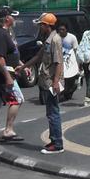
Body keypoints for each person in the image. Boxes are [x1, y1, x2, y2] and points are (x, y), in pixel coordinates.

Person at [18, 13, 64, 154]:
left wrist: (56, 82)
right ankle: (54, 140)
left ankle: (57, 144)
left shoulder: (55, 40)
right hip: (46, 81)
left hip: (51, 82)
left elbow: (58, 63)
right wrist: (24, 66)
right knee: (50, 112)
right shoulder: (48, 40)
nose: (40, 27)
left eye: (41, 25)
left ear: (47, 26)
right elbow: (38, 56)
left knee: (53, 112)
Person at [0, 7, 23, 144]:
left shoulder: (4, 32)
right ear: (7, 18)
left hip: (0, 75)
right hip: (2, 77)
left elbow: (9, 53)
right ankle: (8, 130)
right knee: (17, 99)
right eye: (13, 16)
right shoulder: (0, 34)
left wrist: (21, 64)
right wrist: (7, 76)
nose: (15, 18)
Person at [57, 23, 81, 102]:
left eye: (63, 29)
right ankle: (61, 94)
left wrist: (78, 64)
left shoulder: (72, 37)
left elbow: (76, 51)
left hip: (70, 62)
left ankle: (68, 92)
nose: (61, 31)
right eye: (60, 29)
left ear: (66, 30)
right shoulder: (56, 38)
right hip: (60, 62)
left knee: (70, 80)